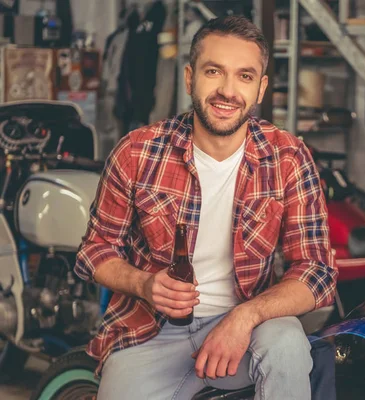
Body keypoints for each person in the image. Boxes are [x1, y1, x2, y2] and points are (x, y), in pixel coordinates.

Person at [74, 15, 338, 400]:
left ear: (261, 88)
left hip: (247, 330)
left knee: (285, 342)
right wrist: (144, 284)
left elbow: (316, 271)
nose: (227, 91)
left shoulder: (288, 157)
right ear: (189, 78)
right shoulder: (137, 151)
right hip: (151, 331)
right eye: (214, 71)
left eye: (245, 76)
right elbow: (95, 249)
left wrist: (244, 316)